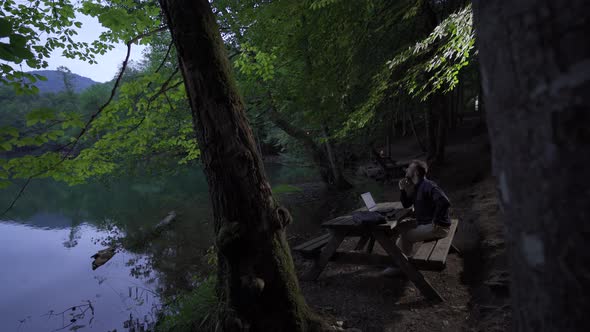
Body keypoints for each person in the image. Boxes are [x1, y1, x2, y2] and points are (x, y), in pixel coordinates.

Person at [381, 159, 451, 276]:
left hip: (438, 227)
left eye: (409, 167)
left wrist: (436, 221)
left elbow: (444, 201)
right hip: (424, 222)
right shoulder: (417, 186)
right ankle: (395, 259)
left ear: (416, 173)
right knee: (397, 227)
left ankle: (402, 266)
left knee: (406, 237)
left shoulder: (428, 185)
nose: (406, 169)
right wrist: (402, 190)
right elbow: (406, 204)